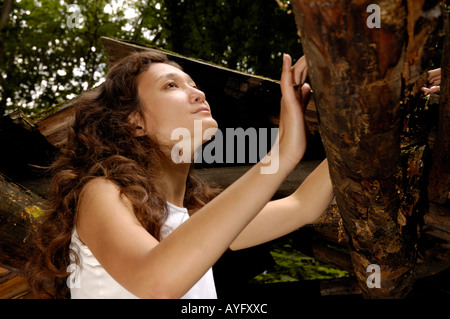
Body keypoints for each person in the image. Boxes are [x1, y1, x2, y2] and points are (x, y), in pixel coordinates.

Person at [25, 50, 334, 299]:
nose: (197, 92)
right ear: (135, 122)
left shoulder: (192, 218)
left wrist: (368, 127)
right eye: (171, 85)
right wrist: (282, 155)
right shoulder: (101, 193)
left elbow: (303, 205)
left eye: (192, 83)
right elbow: (156, 283)